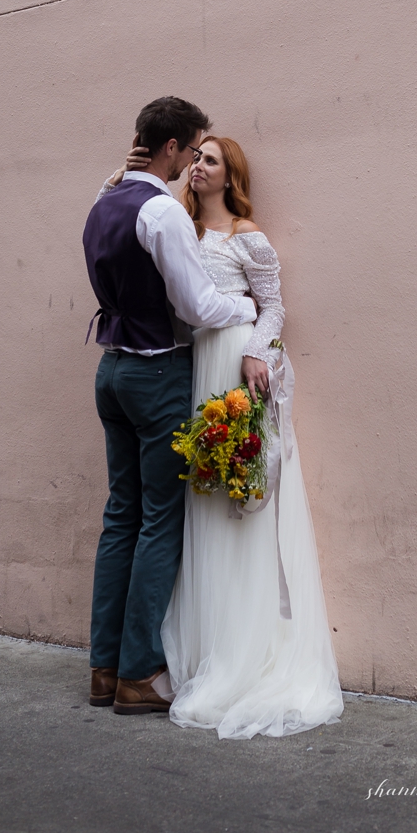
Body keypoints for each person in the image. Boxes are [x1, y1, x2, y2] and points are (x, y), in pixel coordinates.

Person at [83, 96, 258, 716]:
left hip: (111, 371)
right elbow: (198, 307)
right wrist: (247, 312)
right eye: (189, 151)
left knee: (120, 517)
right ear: (171, 150)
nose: (191, 165)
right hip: (156, 375)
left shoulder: (103, 200)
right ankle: (138, 674)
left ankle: (104, 669)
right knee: (159, 521)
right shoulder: (162, 213)